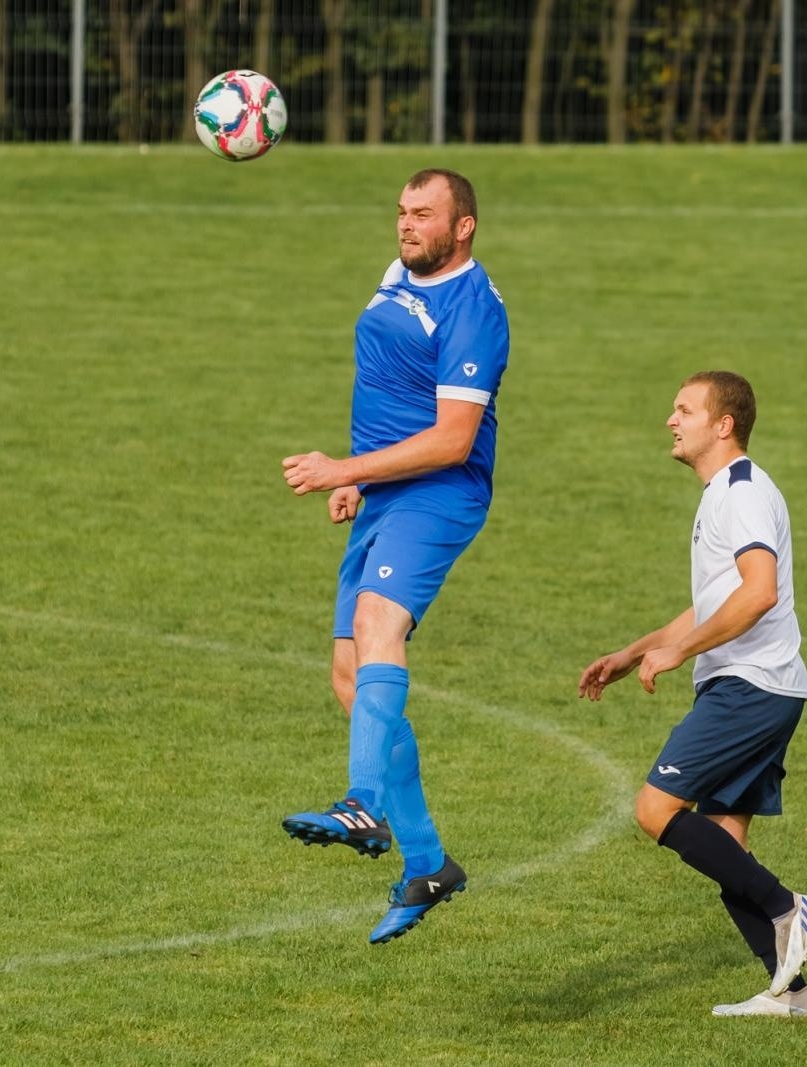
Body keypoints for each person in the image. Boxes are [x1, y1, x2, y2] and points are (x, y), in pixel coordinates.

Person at [279, 168, 510, 945]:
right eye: (402, 212)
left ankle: (364, 802)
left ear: (464, 226)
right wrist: (360, 473)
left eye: (424, 214)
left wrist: (343, 469)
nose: (406, 225)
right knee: (350, 678)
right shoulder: (401, 274)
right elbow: (387, 381)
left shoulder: (475, 312)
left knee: (381, 624)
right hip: (384, 488)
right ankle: (428, 861)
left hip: (440, 492)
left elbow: (452, 438)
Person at [578, 371, 807, 1018]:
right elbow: (714, 603)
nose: (671, 419)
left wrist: (678, 652)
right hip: (762, 684)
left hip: (749, 685)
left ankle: (788, 907)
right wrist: (633, 651)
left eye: (684, 409)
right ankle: (791, 992)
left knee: (655, 808)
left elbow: (759, 590)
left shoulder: (740, 492)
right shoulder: (725, 492)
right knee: (724, 845)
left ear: (724, 424)